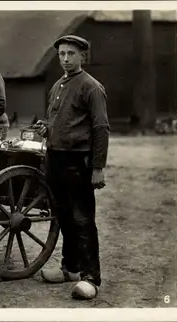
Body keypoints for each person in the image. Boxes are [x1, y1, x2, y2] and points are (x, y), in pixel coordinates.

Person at [33, 35, 109, 300]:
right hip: (56, 159)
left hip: (78, 162)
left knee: (82, 220)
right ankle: (71, 268)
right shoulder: (58, 85)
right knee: (64, 216)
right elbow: (58, 119)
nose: (65, 58)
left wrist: (98, 167)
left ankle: (91, 278)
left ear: (82, 57)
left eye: (70, 54)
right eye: (62, 54)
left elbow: (101, 128)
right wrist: (46, 128)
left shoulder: (91, 87)